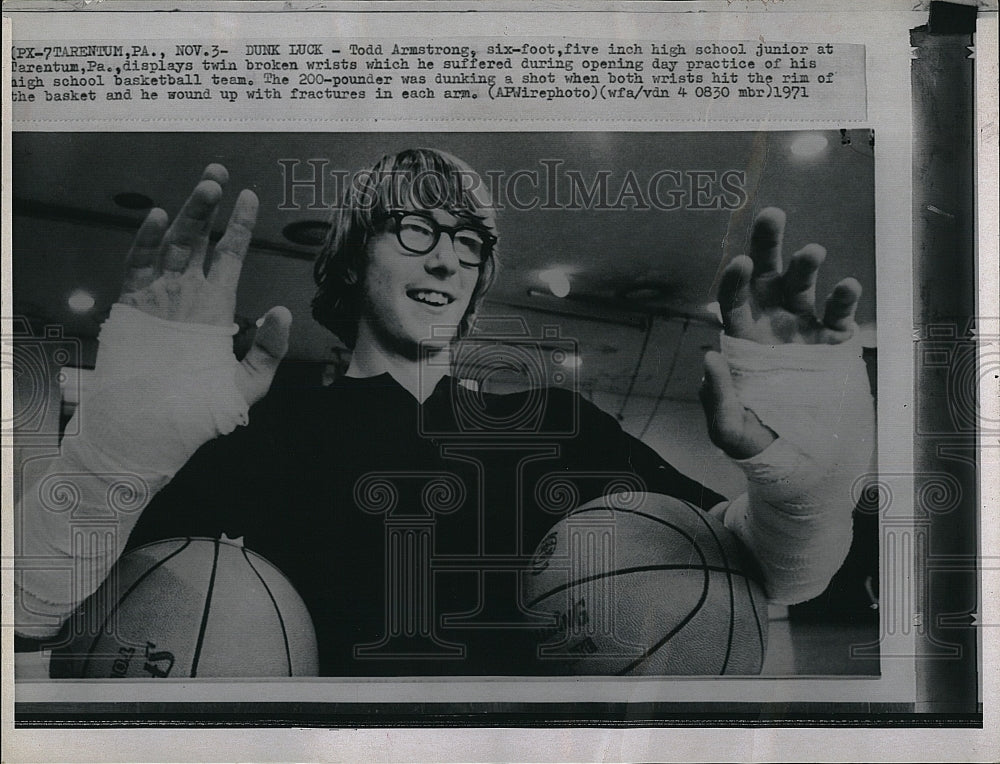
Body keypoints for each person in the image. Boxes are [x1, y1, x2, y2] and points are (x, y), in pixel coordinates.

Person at [14, 148, 874, 676]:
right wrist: (113, 450)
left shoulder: (561, 427)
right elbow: (28, 614)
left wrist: (806, 478)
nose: (449, 259)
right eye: (416, 231)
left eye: (468, 244)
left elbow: (773, 574)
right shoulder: (257, 438)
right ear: (352, 262)